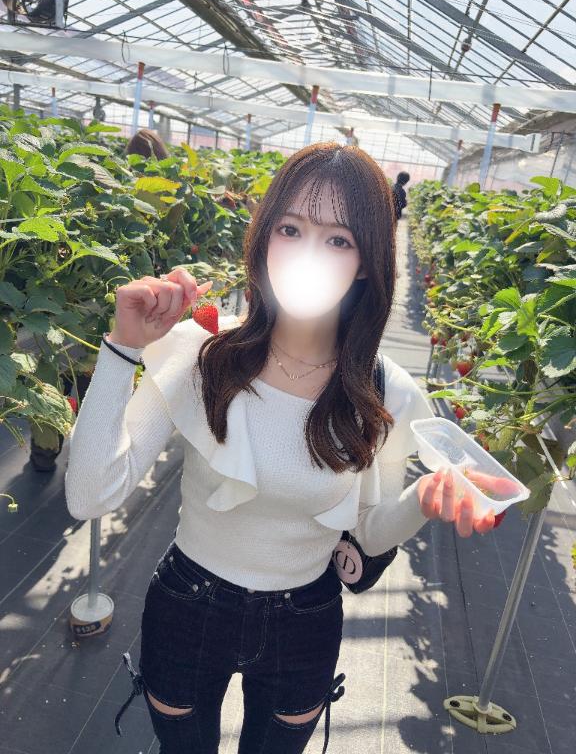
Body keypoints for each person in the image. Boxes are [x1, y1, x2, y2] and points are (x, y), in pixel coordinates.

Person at [65, 142, 497, 754]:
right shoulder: (202, 355)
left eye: (338, 239)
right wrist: (123, 348)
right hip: (189, 603)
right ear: (264, 235)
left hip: (305, 620)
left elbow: (367, 532)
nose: (307, 254)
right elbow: (89, 496)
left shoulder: (383, 393)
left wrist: (423, 499)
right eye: (290, 229)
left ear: (367, 263)